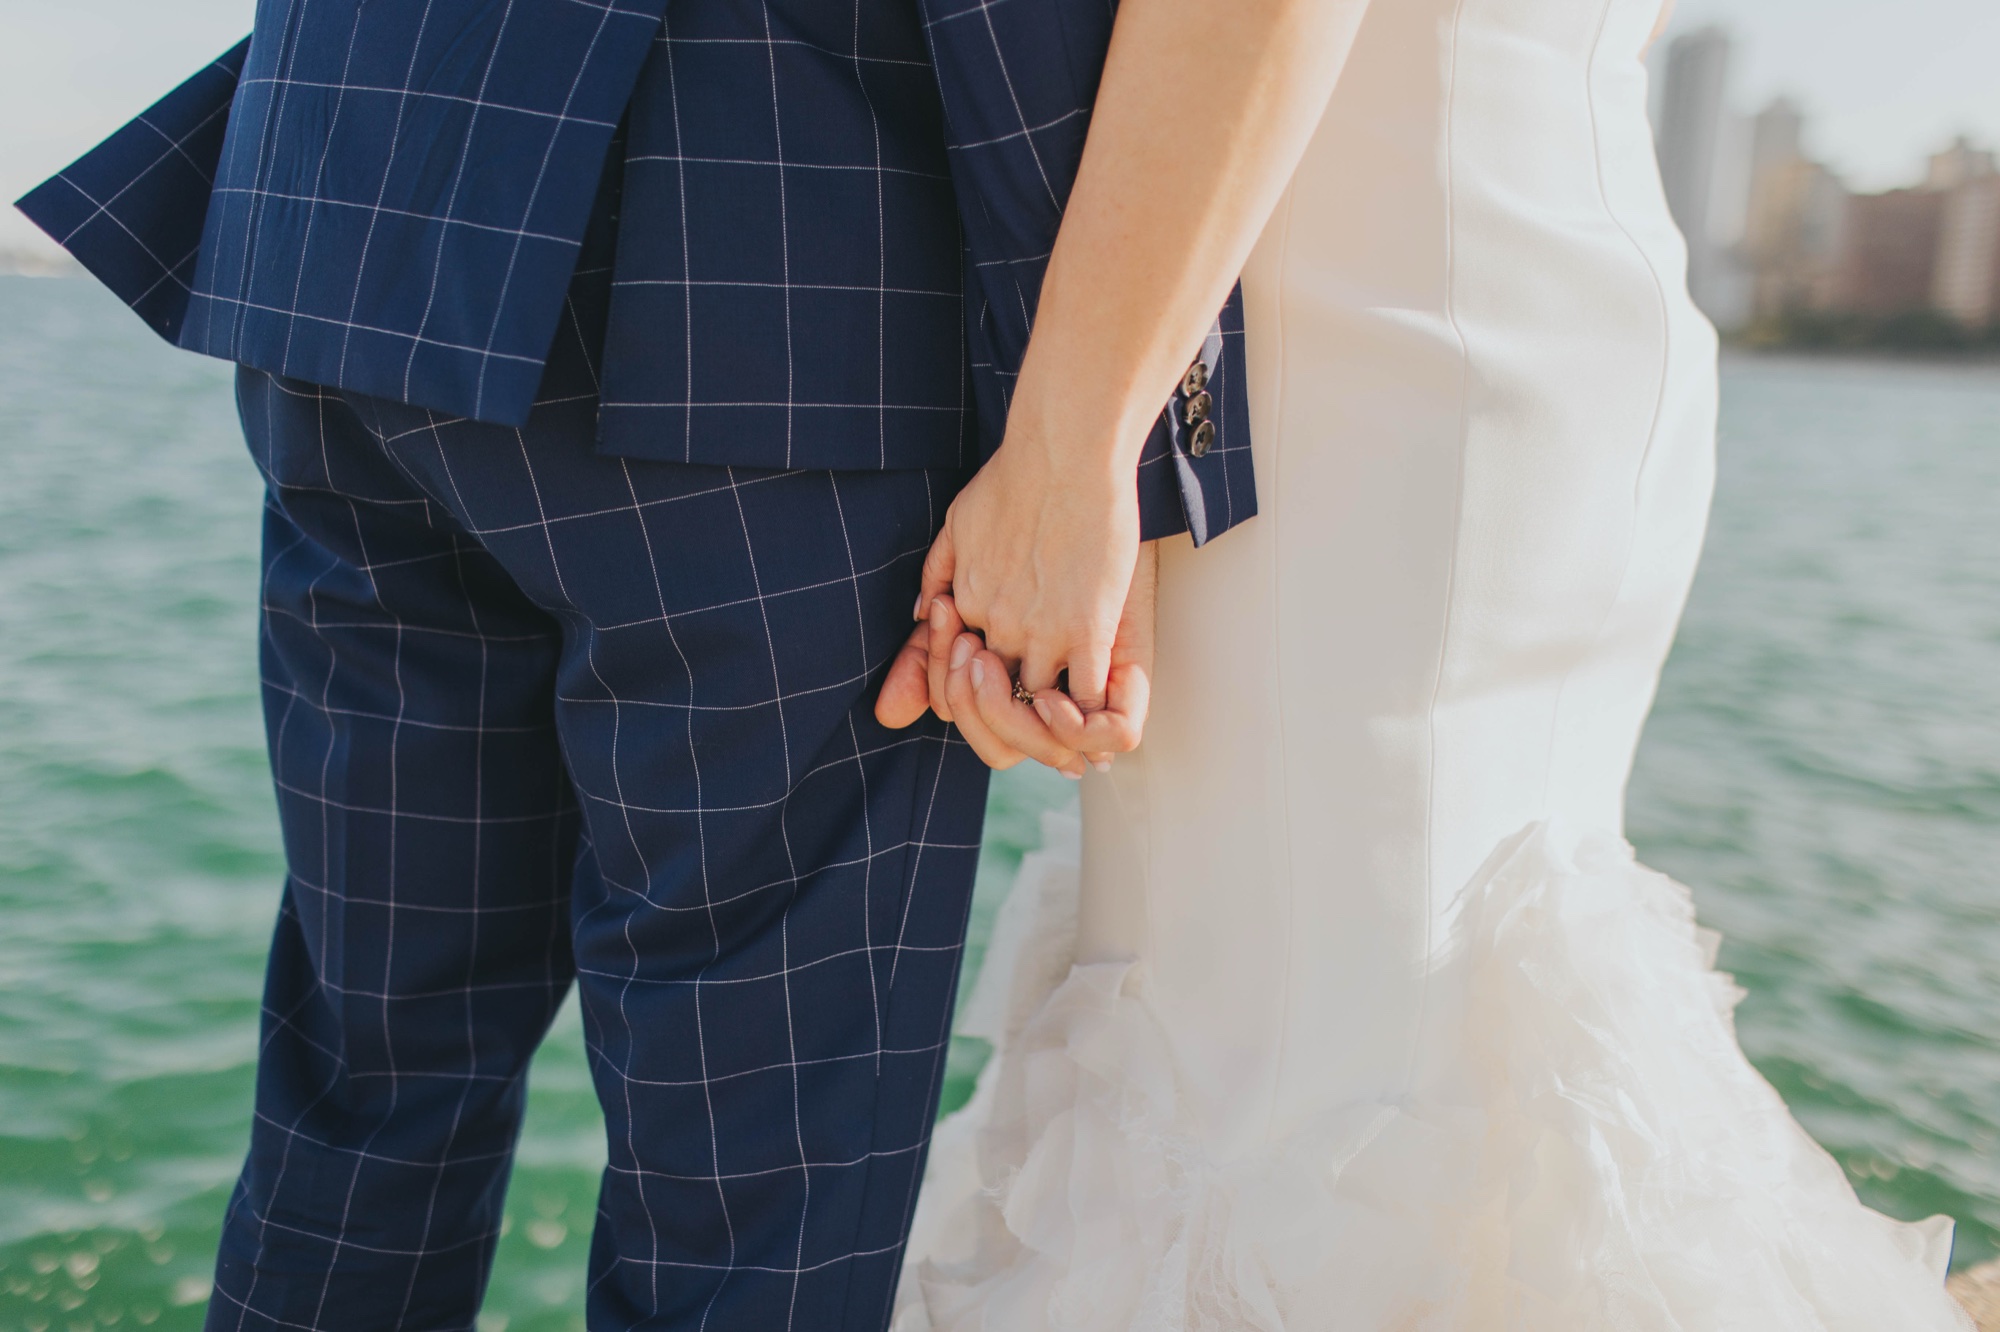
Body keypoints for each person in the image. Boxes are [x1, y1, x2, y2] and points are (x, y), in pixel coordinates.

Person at [16, 3, 1254, 1329]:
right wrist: (1098, 448)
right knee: (746, 1217)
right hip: (758, 266)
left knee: (366, 1099)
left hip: (345, 217)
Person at [874, 0, 1982, 1327]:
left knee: (1277, 1049)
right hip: (1542, 256)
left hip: (1345, 317)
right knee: (1424, 996)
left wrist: (1075, 449)